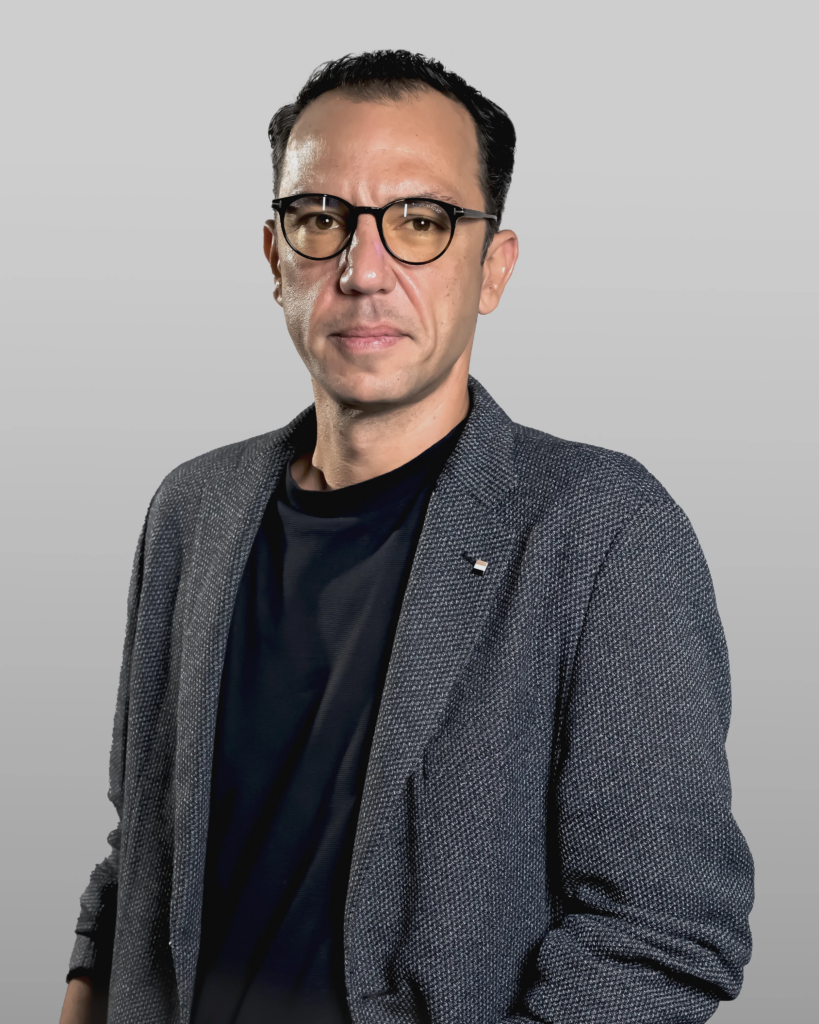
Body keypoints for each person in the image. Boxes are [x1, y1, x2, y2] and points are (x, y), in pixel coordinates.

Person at [60, 50, 753, 1024]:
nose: (362, 270)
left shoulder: (604, 529)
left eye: (420, 221)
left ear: (493, 267)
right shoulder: (193, 509)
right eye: (321, 218)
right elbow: (140, 851)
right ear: (275, 256)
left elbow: (663, 933)